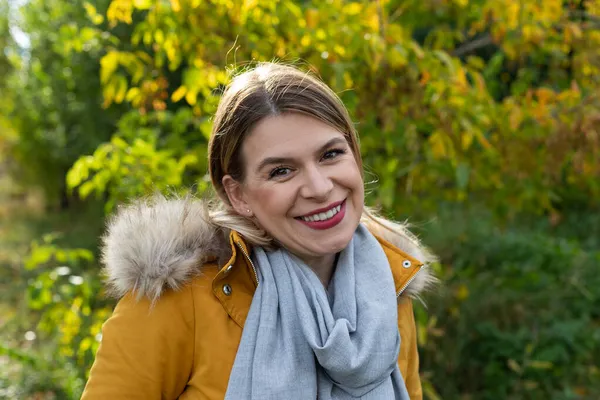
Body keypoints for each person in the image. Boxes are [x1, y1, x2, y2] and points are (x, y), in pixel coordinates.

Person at [81, 62, 436, 400]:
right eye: (281, 171)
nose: (319, 187)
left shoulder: (386, 289)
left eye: (330, 154)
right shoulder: (179, 299)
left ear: (355, 156)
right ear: (238, 194)